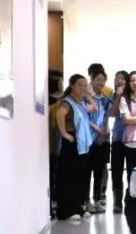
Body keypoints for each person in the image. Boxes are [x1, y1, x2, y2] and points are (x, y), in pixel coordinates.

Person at [55, 74, 95, 222]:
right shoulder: (68, 102)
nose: (83, 87)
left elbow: (94, 107)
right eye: (80, 85)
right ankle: (67, 210)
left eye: (85, 85)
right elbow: (60, 114)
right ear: (72, 86)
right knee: (69, 178)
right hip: (71, 143)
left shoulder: (81, 102)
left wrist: (88, 95)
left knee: (80, 177)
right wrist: (64, 133)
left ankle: (78, 207)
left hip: (82, 145)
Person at [86, 69, 113, 212]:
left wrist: (103, 134)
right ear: (91, 80)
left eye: (103, 80)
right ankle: (86, 201)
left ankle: (97, 200)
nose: (101, 83)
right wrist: (97, 130)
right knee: (86, 172)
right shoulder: (85, 97)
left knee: (98, 172)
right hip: (88, 139)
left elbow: (107, 116)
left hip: (101, 140)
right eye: (98, 79)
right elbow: (83, 117)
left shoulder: (105, 99)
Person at [109, 70, 129, 213]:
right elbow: (113, 113)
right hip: (117, 137)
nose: (119, 81)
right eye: (117, 78)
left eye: (122, 78)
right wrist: (117, 96)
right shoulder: (114, 95)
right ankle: (117, 202)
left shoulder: (133, 95)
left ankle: (129, 200)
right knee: (116, 171)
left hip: (132, 138)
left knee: (131, 171)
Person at [47, 86, 64, 218]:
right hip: (55, 148)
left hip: (56, 148)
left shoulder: (55, 108)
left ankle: (55, 203)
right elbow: (52, 129)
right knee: (55, 176)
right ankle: (55, 203)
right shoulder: (54, 109)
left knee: (56, 176)